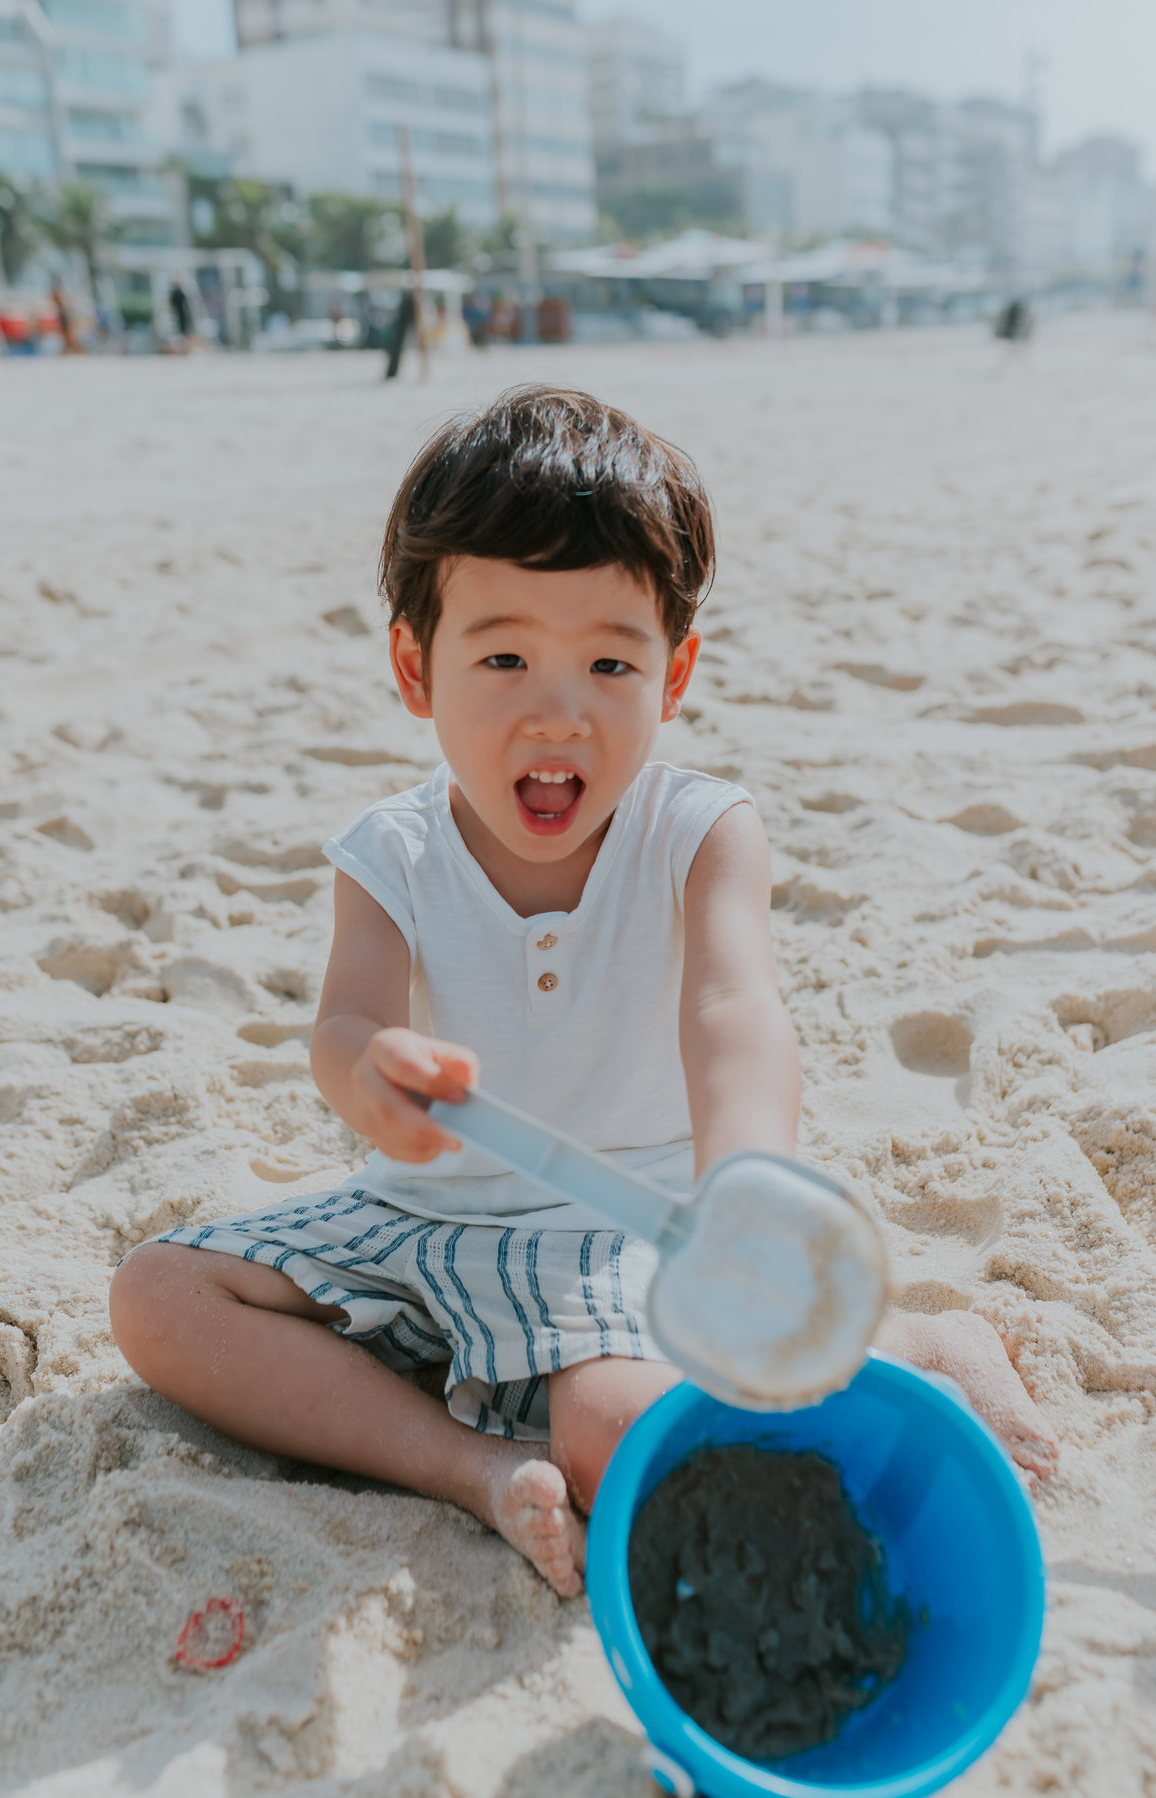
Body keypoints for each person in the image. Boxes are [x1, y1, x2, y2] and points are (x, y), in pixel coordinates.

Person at [110, 387, 1058, 1596]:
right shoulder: (392, 851)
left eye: (611, 660)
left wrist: (745, 1179)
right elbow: (346, 1022)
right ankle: (467, 1467)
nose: (559, 709)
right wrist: (371, 1076)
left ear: (674, 675)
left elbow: (735, 1010)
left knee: (614, 1433)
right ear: (416, 665)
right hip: (422, 1221)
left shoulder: (697, 829)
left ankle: (907, 1347)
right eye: (503, 655)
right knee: (159, 1294)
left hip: (622, 1224)